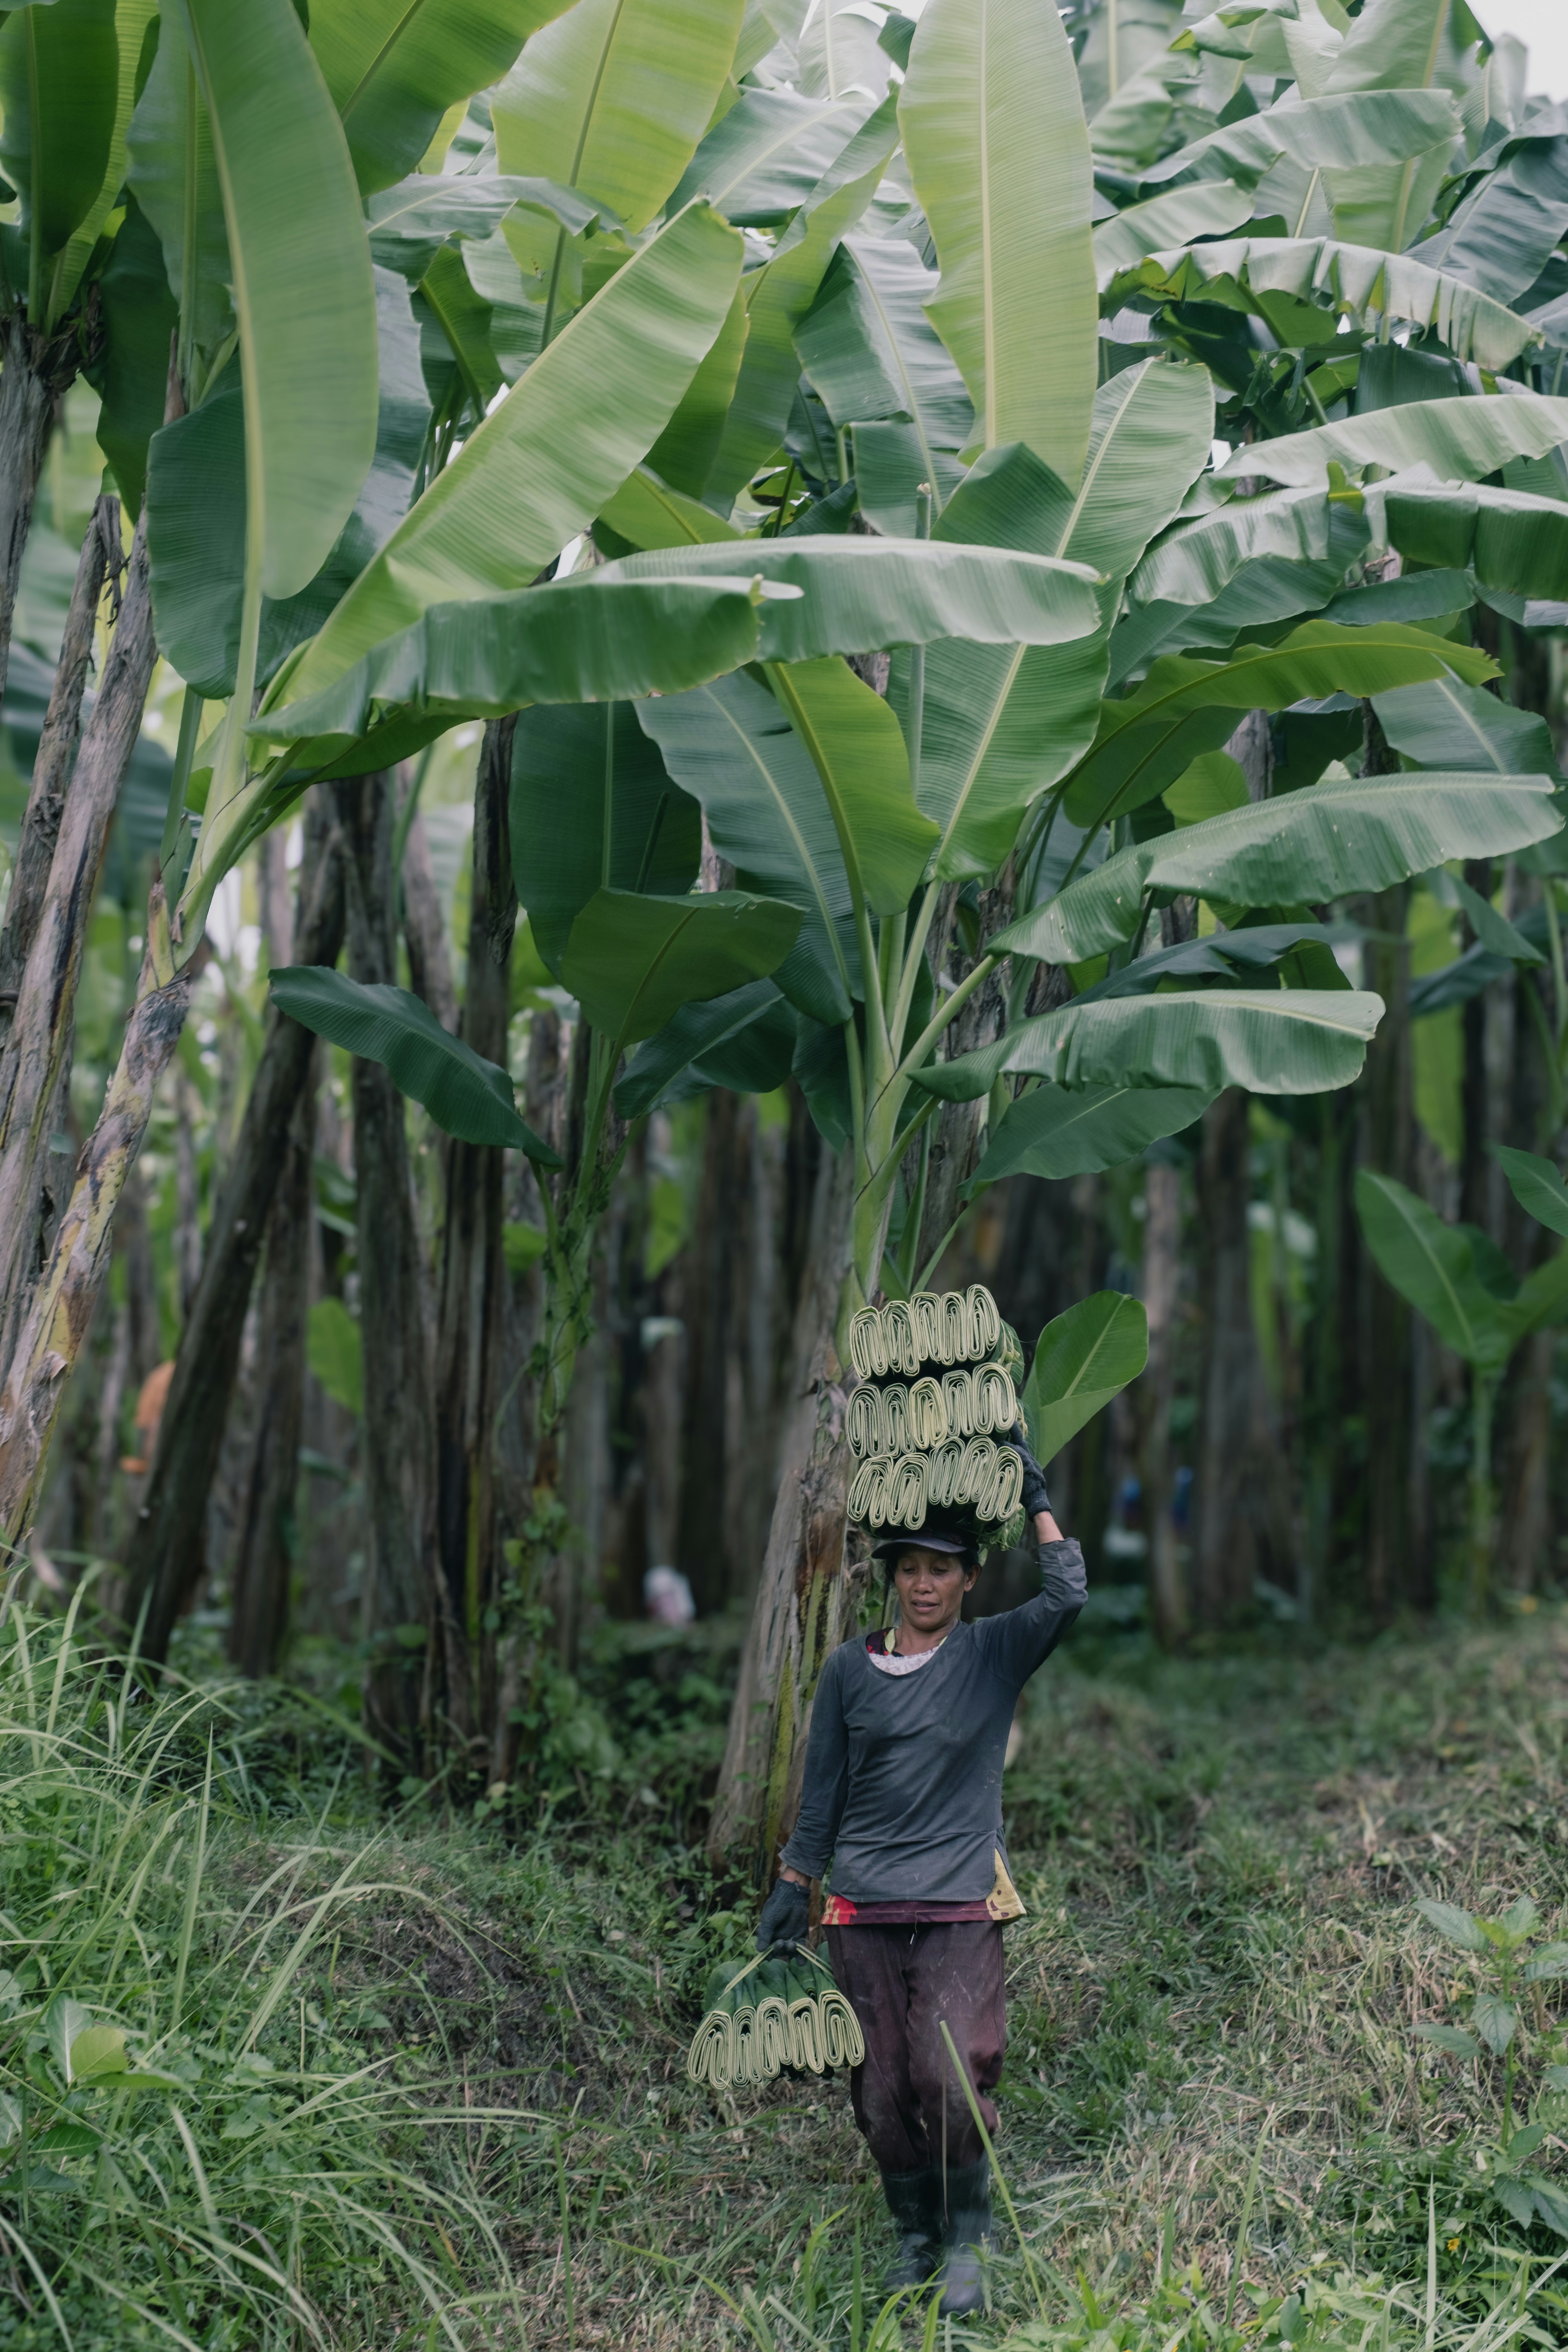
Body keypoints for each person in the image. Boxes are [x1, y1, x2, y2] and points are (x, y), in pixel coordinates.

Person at [753, 1430, 1084, 2316]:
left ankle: (967, 2239)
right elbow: (821, 1794)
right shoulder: (849, 1674)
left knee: (950, 2072)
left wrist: (1034, 1498)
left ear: (969, 1579)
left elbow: (1068, 1593)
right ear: (892, 1577)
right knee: (883, 2090)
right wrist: (794, 1884)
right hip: (859, 1907)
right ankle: (913, 2236)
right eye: (910, 1568)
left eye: (942, 1569)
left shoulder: (991, 1656)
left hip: (957, 1903)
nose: (925, 1584)